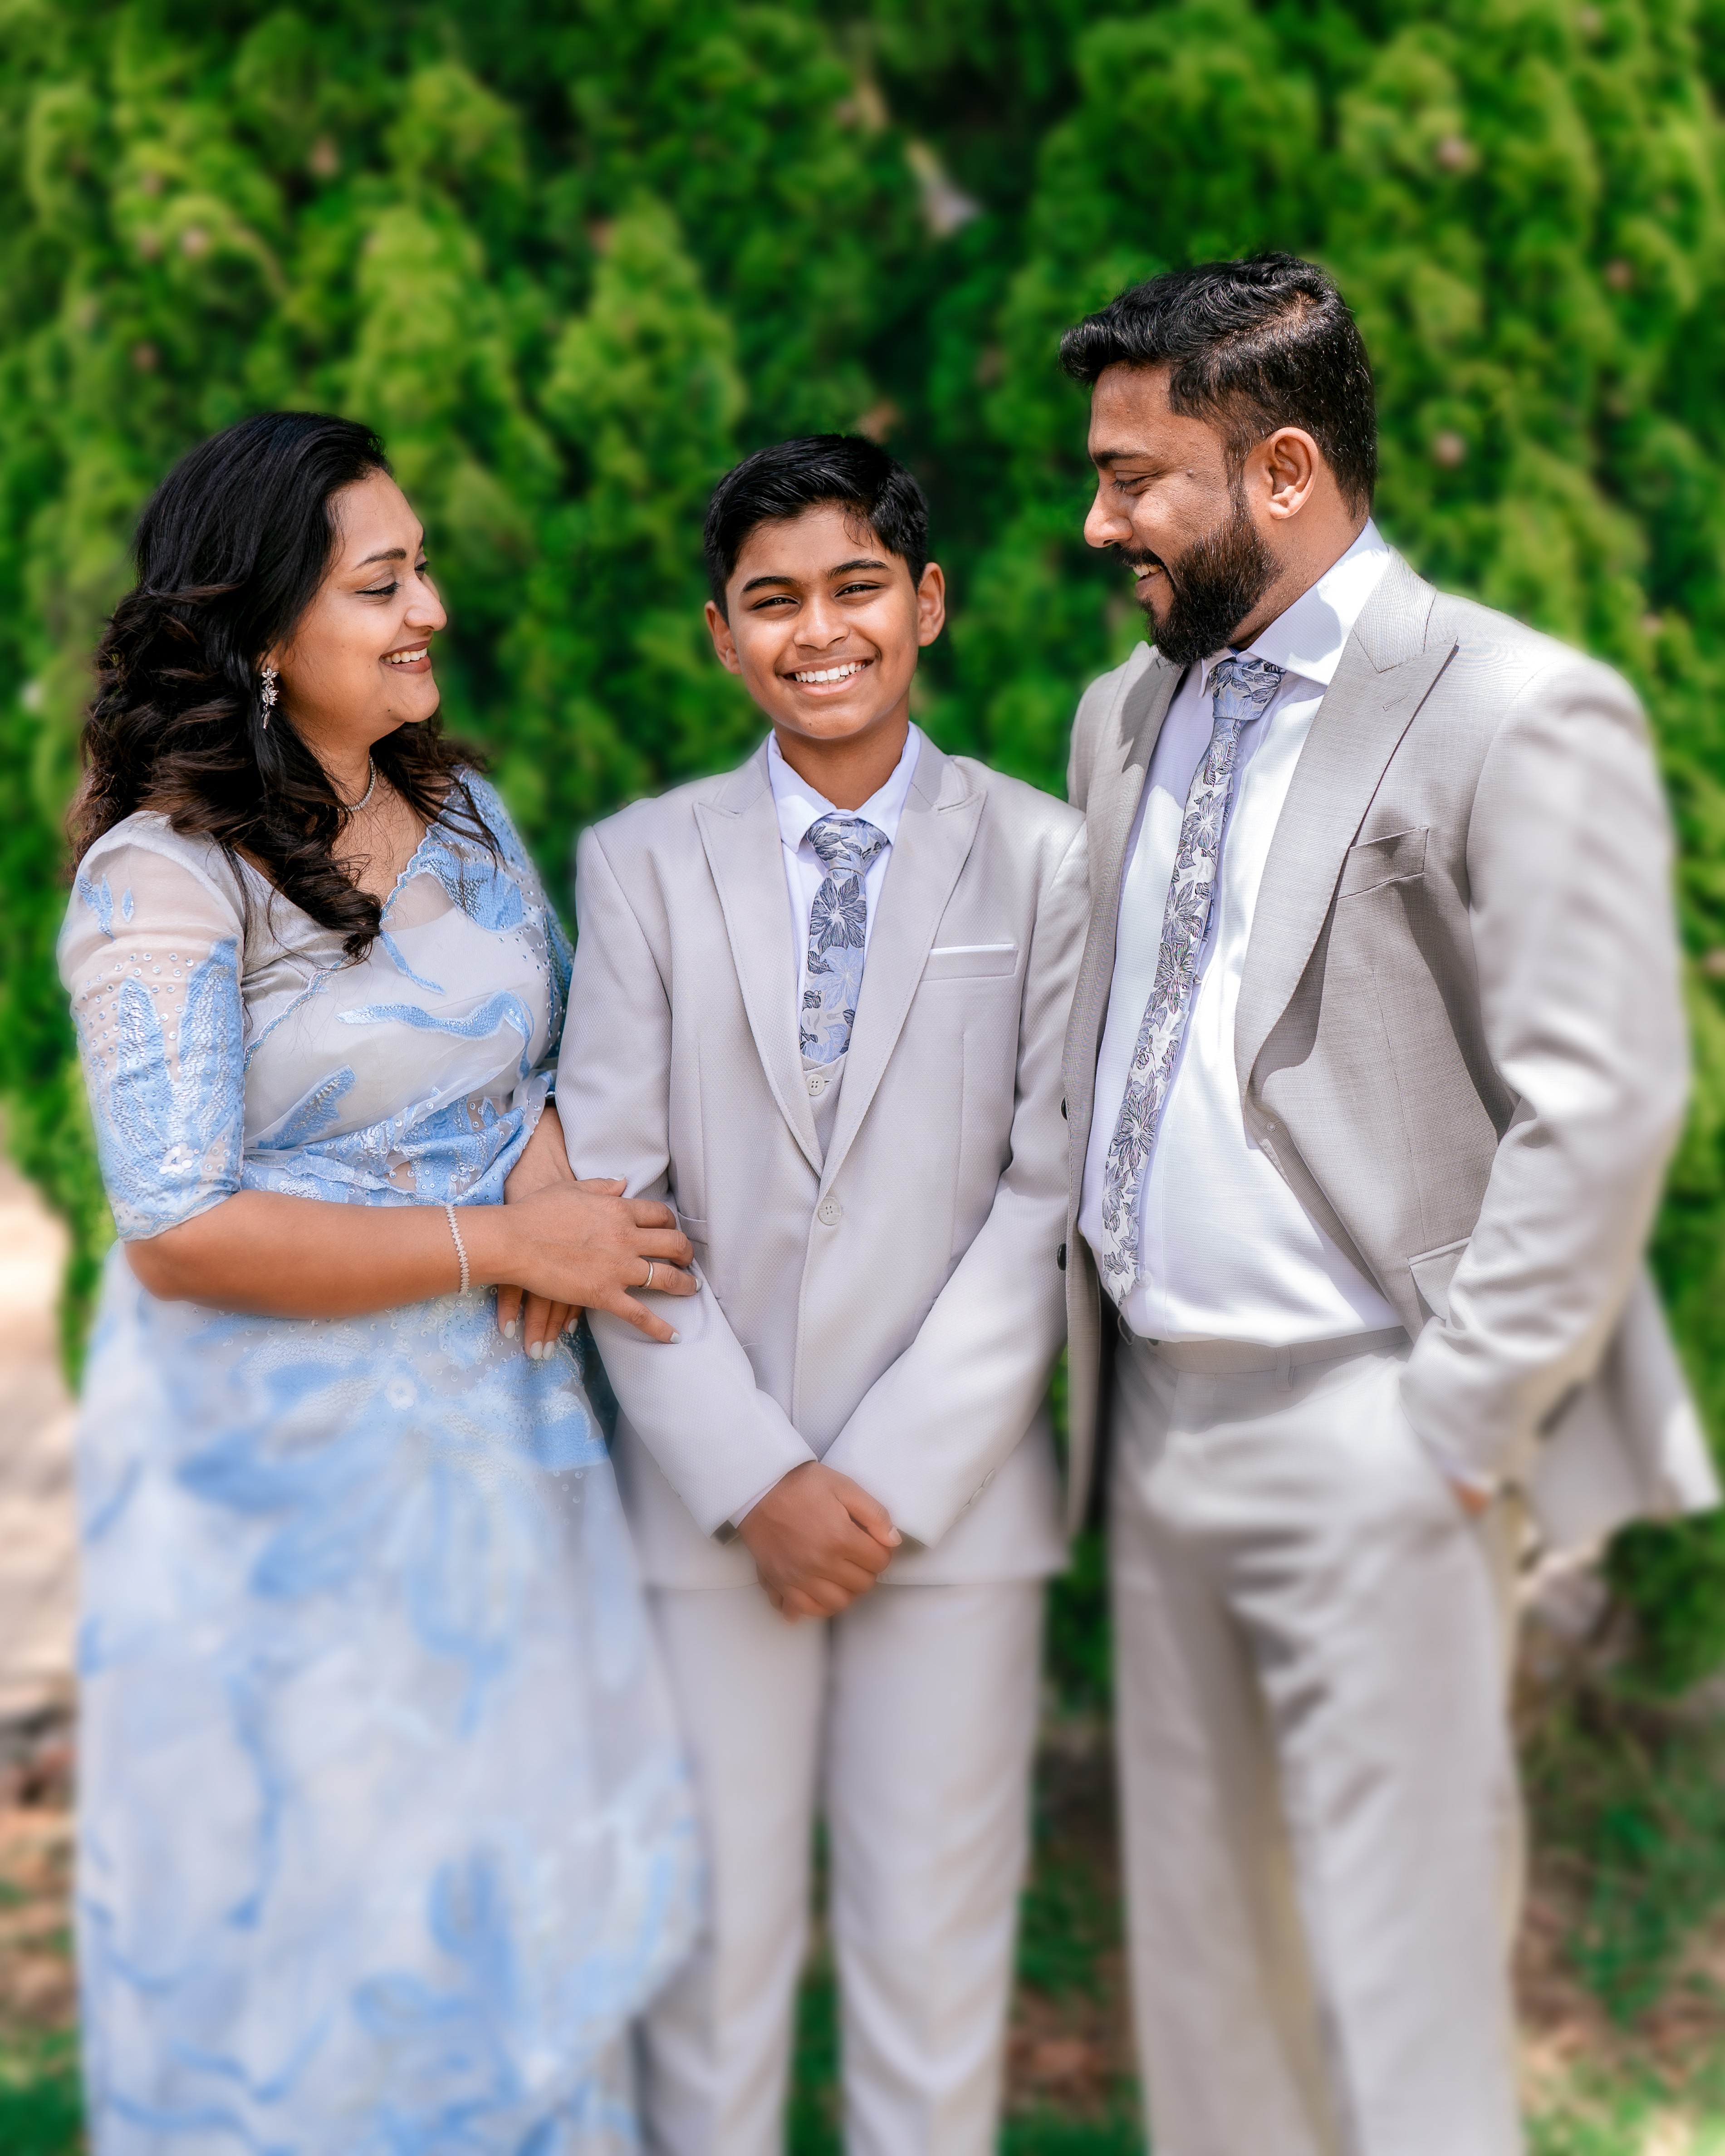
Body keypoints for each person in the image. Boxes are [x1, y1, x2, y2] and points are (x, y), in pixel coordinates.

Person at [1056, 255, 1719, 2156]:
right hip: (1159, 1421)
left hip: (1379, 1425)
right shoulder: (1128, 713)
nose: (1100, 520)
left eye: (1135, 477)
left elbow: (1607, 1100)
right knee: (1207, 1983)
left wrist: (1457, 1428)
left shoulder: (1517, 708)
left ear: (1279, 473)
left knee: (1398, 1982)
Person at [59, 411, 704, 2154]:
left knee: (509, 1905)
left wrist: (558, 1179)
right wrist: (501, 1242)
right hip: (279, 1485)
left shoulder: (469, 818)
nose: (431, 606)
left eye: (423, 567)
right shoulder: (162, 880)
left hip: (493, 1450)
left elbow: (548, 1064)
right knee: (331, 1935)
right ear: (265, 634)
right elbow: (179, 1224)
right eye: (382, 581)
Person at [542, 435, 1088, 2156]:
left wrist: (886, 1478)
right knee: (708, 1969)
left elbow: (1046, 1194)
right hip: (713, 1514)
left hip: (959, 1510)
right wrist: (758, 1481)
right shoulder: (644, 861)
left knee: (933, 1969)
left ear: (925, 603)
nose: (818, 631)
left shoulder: (1045, 858)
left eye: (857, 587)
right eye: (771, 602)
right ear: (721, 635)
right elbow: (614, 1193)